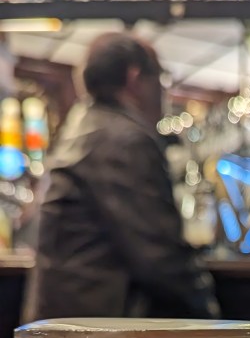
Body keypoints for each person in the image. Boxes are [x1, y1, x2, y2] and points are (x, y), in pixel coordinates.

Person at [27, 33, 219, 321]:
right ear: (135, 78)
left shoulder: (85, 127)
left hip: (68, 325)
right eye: (160, 80)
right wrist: (211, 315)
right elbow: (159, 256)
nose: (163, 94)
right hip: (97, 332)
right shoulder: (122, 141)